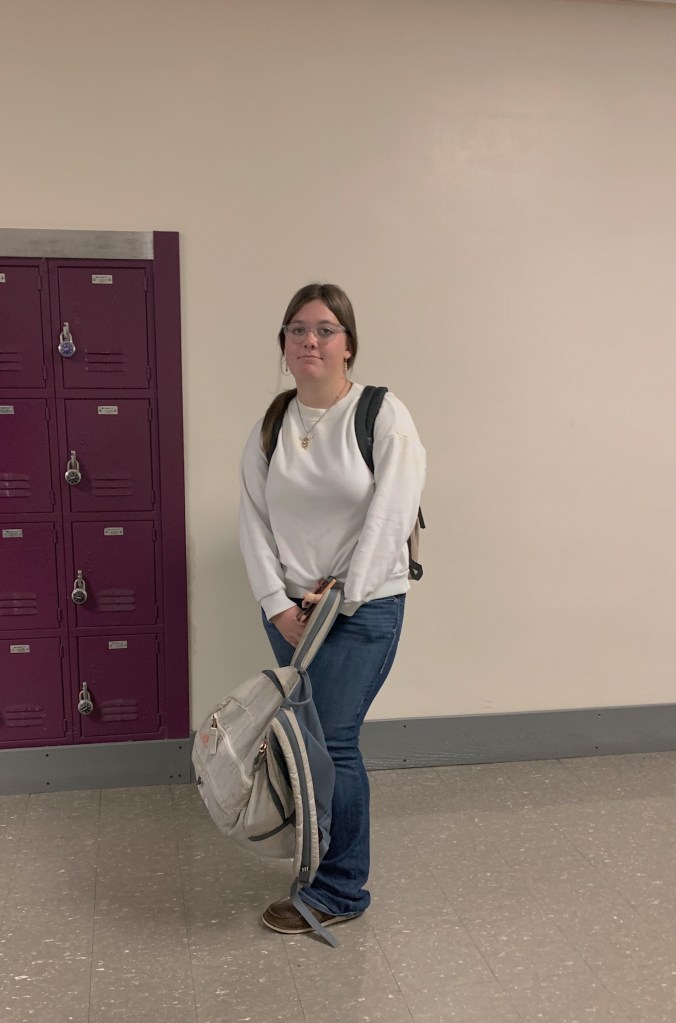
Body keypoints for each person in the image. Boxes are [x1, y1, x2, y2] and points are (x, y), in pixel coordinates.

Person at [239, 282, 426, 936]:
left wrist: (341, 591)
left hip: (363, 609)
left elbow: (392, 515)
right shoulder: (273, 423)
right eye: (296, 329)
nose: (308, 340)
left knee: (335, 742)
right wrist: (277, 603)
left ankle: (341, 888)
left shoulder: (381, 413)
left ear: (348, 343)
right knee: (310, 744)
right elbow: (253, 521)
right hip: (289, 615)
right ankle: (320, 863)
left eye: (323, 328)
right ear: (284, 345)